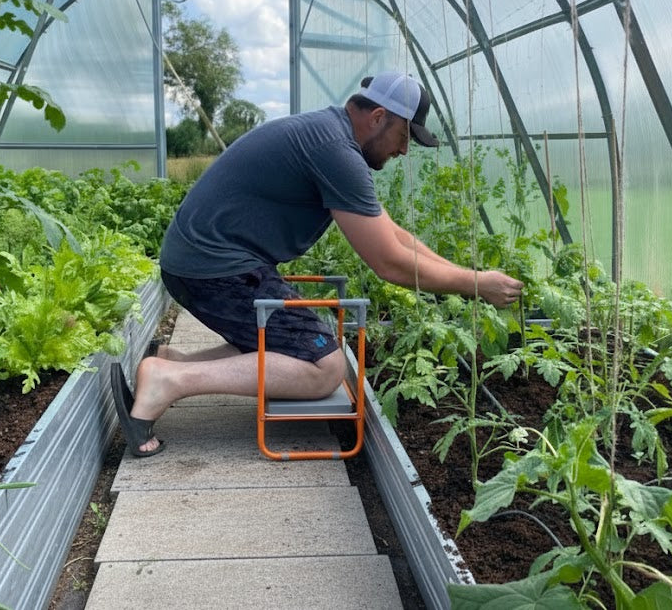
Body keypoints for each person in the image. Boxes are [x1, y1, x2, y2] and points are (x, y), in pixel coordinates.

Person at [110, 71, 524, 456]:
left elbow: (392, 233)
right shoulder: (335, 151)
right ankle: (169, 382)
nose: (403, 149)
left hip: (206, 260)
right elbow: (389, 263)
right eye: (404, 136)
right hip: (214, 268)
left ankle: (173, 362)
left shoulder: (329, 135)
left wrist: (469, 275)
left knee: (287, 340)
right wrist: (475, 285)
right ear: (379, 117)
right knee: (324, 365)